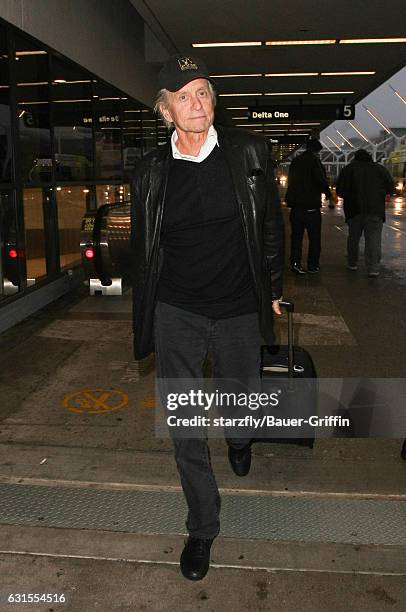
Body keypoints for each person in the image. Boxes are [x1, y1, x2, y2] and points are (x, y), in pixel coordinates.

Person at [130, 54, 284, 581]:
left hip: (240, 305)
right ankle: (202, 526)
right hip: (177, 309)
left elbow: (269, 228)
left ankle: (241, 435)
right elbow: (145, 245)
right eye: (183, 96)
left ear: (212, 100)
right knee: (186, 424)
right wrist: (145, 306)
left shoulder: (248, 153)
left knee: (241, 398)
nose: (196, 104)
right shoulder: (150, 169)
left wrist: (276, 290)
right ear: (165, 110)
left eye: (202, 92)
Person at [336, 149, 394, 277]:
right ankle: (373, 269)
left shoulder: (348, 169)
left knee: (353, 238)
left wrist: (350, 196)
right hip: (375, 210)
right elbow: (391, 187)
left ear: (355, 158)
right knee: (373, 240)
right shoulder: (380, 169)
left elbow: (340, 190)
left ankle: (352, 263)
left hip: (354, 210)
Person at [285, 138, 333, 274]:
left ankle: (295, 263)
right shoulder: (314, 161)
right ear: (317, 150)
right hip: (311, 207)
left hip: (296, 207)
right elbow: (320, 180)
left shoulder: (295, 161)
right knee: (314, 238)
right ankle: (312, 265)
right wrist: (328, 194)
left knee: (296, 237)